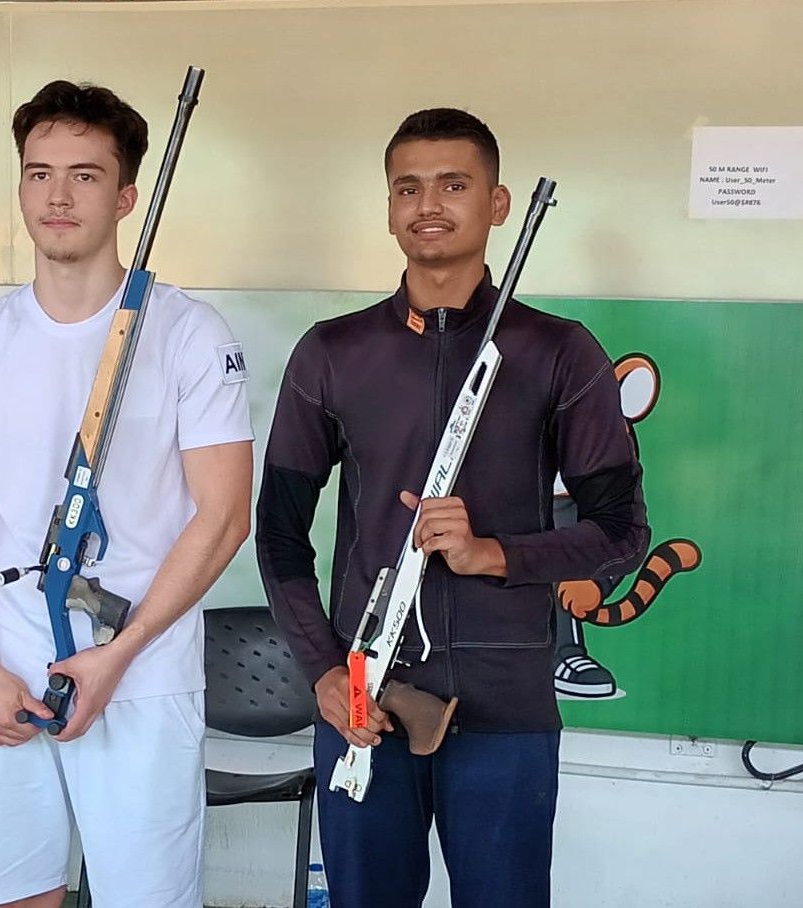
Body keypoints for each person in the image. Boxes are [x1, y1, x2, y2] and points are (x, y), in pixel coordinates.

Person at [256, 108, 650, 907]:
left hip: (506, 712)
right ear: (388, 208)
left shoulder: (558, 350)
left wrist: (491, 554)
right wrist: (324, 671)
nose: (427, 203)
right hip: (364, 702)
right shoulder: (332, 352)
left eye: (452, 184)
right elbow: (278, 533)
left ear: (497, 204)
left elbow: (620, 533)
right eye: (407, 187)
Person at [0, 80, 253, 908]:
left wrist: (120, 653)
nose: (58, 196)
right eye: (38, 174)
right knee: (11, 894)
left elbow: (222, 518)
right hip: (4, 667)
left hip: (138, 669)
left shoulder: (188, 332)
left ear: (126, 196)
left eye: (84, 175)